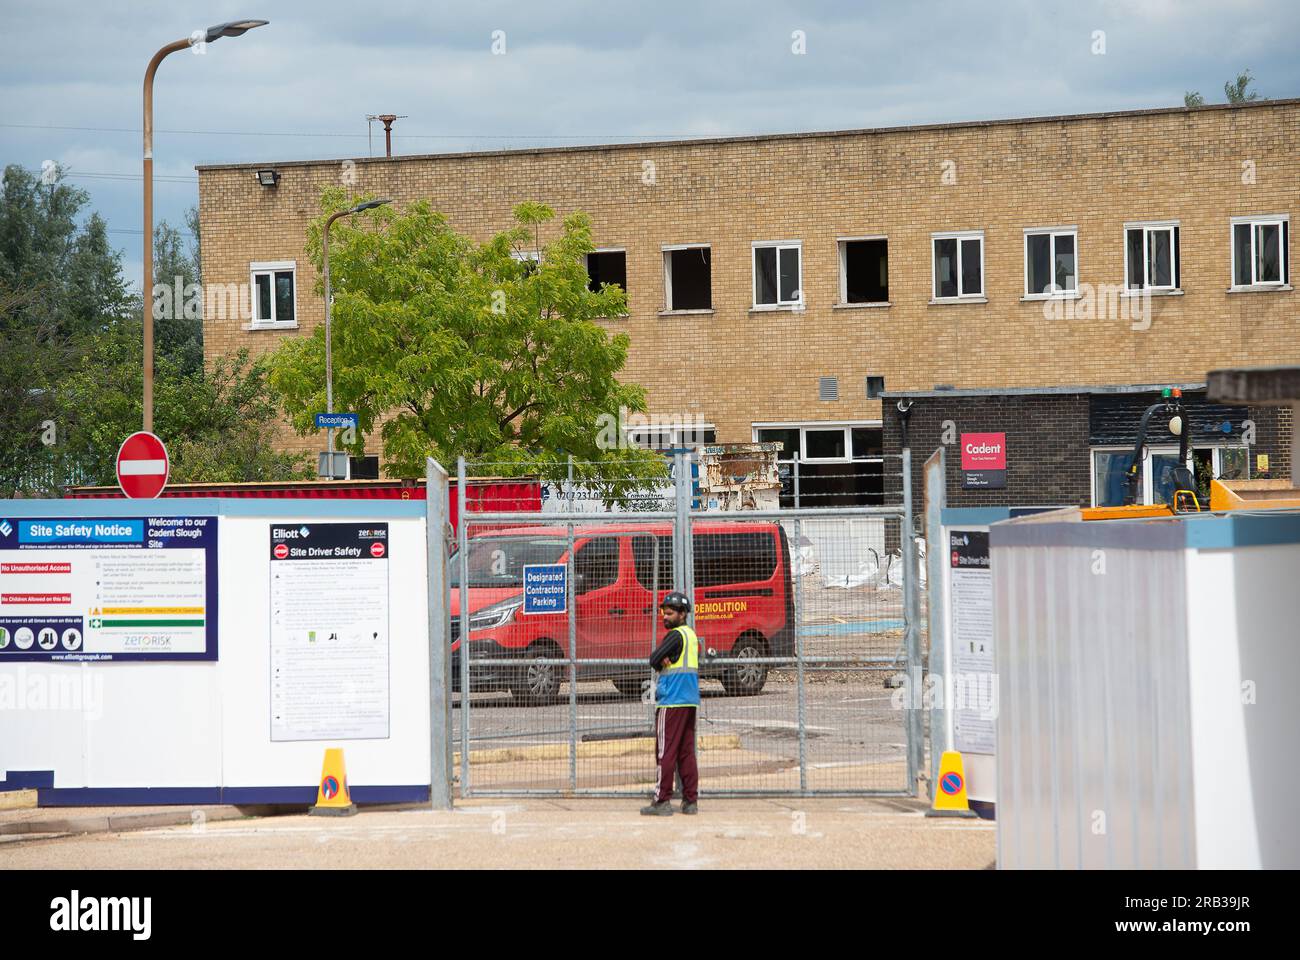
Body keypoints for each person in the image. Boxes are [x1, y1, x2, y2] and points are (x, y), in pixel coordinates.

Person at [641, 591, 699, 816]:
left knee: (665, 752)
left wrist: (660, 661)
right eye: (664, 612)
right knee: (686, 752)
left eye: (670, 613)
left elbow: (654, 658)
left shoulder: (675, 636)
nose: (665, 616)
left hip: (672, 701)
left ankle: (661, 800)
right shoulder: (691, 635)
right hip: (689, 701)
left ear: (682, 614)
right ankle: (690, 800)